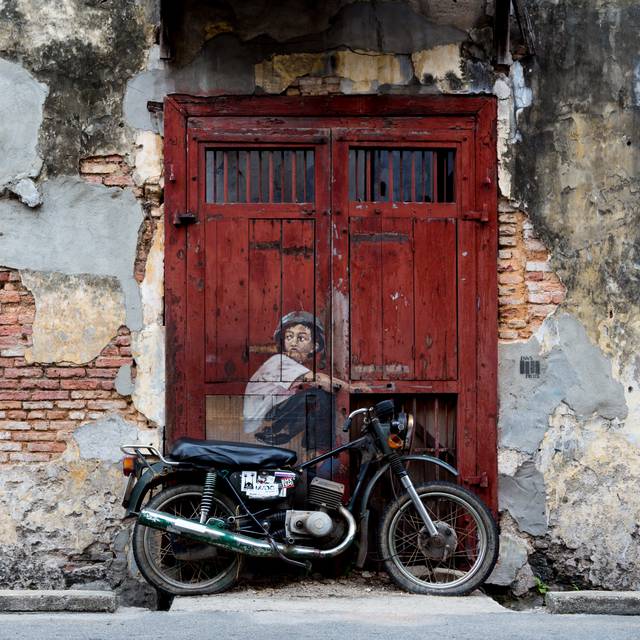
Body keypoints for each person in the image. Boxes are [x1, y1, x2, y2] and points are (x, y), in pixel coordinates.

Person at [243, 311, 358, 450]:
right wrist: (352, 389)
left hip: (267, 416)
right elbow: (320, 380)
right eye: (289, 337)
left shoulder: (292, 367)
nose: (293, 342)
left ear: (314, 347)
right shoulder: (280, 361)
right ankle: (319, 452)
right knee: (319, 396)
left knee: (312, 399)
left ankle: (300, 443)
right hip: (263, 420)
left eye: (301, 338)